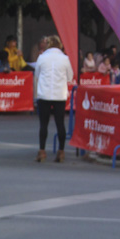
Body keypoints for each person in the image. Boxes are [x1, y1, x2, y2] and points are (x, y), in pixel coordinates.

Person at [34, 35, 74, 163]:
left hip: (44, 94)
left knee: (43, 124)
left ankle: (42, 151)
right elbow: (70, 77)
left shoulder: (41, 57)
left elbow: (37, 75)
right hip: (59, 94)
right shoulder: (65, 59)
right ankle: (61, 151)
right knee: (60, 123)